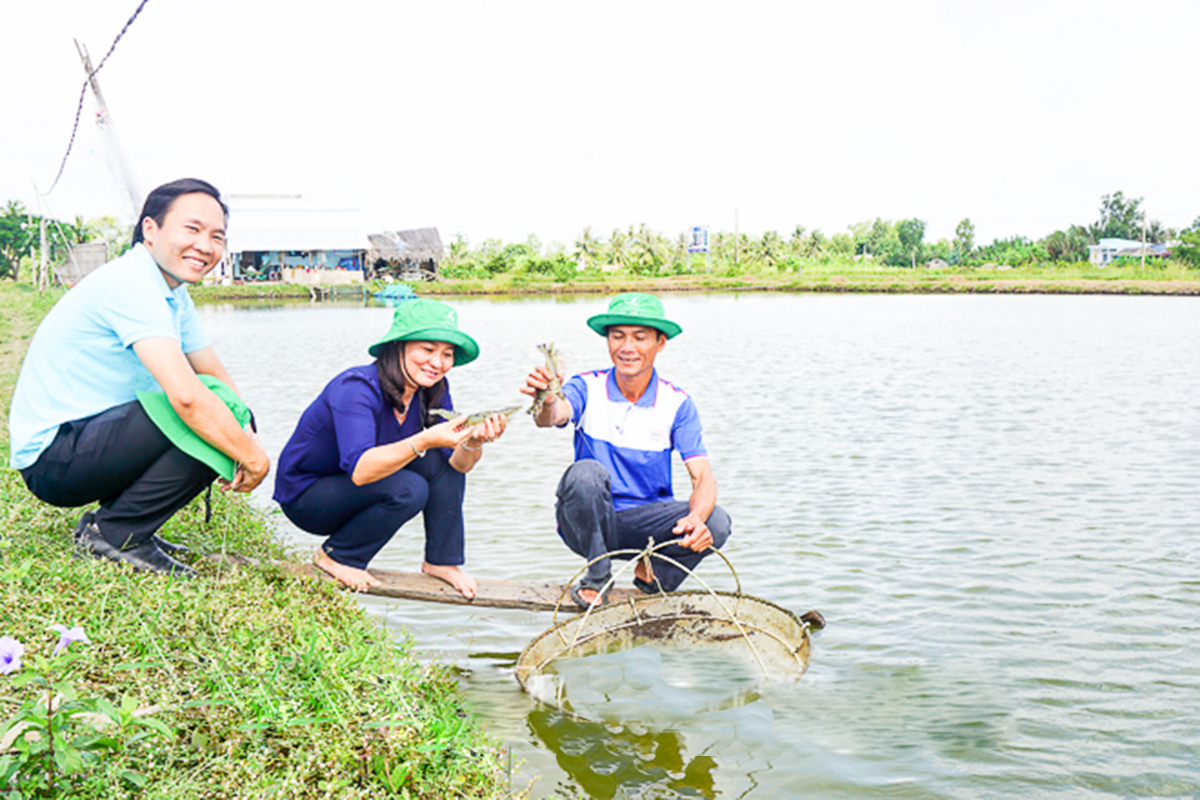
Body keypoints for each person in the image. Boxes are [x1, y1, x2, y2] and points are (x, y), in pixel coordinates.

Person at [8, 178, 270, 577]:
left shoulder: (171, 292)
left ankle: (124, 522)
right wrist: (250, 456)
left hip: (89, 440)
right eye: (192, 229)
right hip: (54, 459)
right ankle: (117, 534)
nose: (205, 246)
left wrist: (246, 432)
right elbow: (187, 397)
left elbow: (212, 372)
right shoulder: (132, 283)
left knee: (227, 410)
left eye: (217, 236)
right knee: (204, 412)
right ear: (151, 228)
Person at [274, 298, 507, 597]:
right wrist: (425, 439)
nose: (438, 363)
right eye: (428, 349)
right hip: (308, 497)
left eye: (447, 354)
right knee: (410, 487)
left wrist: (473, 443)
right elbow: (361, 471)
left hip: (358, 487)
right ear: (398, 347)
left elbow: (457, 467)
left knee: (440, 464)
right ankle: (337, 556)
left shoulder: (432, 389)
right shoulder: (356, 388)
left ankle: (441, 561)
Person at [522, 292, 732, 609]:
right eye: (617, 336)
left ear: (660, 343)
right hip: (587, 520)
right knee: (585, 473)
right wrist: (548, 399)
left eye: (640, 337)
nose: (627, 347)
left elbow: (703, 477)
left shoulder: (677, 403)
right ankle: (597, 575)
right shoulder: (586, 386)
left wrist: (697, 519)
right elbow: (552, 417)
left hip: (646, 525)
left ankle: (652, 575)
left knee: (716, 521)